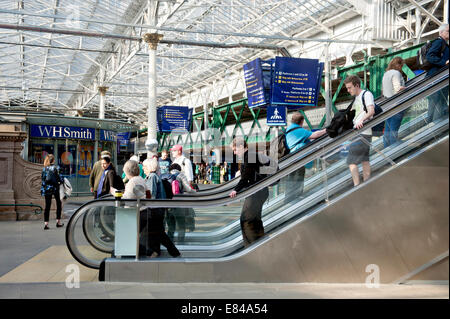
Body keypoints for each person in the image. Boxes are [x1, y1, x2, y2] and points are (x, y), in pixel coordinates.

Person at [229, 137, 269, 247]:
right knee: (254, 220)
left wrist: (235, 190)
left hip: (257, 192)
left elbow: (246, 177)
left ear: (241, 146)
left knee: (247, 220)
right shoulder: (250, 155)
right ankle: (260, 244)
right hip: (259, 191)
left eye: (235, 149)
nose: (234, 152)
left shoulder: (250, 156)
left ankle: (252, 247)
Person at [142, 158, 180, 258]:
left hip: (154, 211)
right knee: (157, 233)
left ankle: (173, 252)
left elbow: (151, 195)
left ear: (149, 167)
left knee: (158, 233)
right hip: (158, 210)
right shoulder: (155, 176)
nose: (143, 168)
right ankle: (157, 252)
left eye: (144, 167)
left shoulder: (152, 177)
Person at [285, 112, 327, 200]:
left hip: (291, 158)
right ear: (301, 121)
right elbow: (314, 135)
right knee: (298, 179)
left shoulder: (289, 130)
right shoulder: (298, 130)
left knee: (292, 180)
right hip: (298, 159)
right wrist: (326, 130)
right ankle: (296, 198)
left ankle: (290, 198)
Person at [344, 75, 375, 187]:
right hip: (362, 133)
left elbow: (371, 111)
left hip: (362, 133)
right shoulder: (356, 98)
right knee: (364, 160)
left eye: (349, 87)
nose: (348, 90)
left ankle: (357, 186)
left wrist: (362, 120)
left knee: (351, 162)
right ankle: (366, 185)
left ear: (357, 85)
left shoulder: (366, 94)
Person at [165, 163, 195, 243]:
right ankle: (181, 242)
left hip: (167, 204)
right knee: (181, 225)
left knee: (171, 226)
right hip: (179, 204)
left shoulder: (165, 176)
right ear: (179, 169)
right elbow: (188, 189)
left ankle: (170, 242)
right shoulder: (181, 175)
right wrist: (194, 192)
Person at [426, 23, 449, 122]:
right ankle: (436, 126)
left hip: (440, 78)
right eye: (448, 31)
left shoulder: (444, 44)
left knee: (437, 102)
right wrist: (444, 62)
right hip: (437, 77)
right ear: (441, 32)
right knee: (438, 102)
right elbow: (430, 56)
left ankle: (434, 124)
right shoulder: (439, 42)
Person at [382, 57, 406, 147]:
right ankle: (394, 151)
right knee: (394, 131)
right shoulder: (396, 73)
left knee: (387, 131)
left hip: (387, 106)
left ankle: (387, 150)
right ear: (398, 65)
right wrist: (406, 88)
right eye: (401, 66)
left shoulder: (386, 74)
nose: (401, 68)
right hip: (397, 105)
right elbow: (397, 89)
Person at [41, 154, 64, 230]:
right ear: (53, 160)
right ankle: (58, 222)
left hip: (47, 188)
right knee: (58, 204)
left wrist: (44, 188)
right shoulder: (56, 167)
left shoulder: (44, 169)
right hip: (55, 188)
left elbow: (43, 179)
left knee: (47, 206)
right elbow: (61, 179)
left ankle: (46, 224)